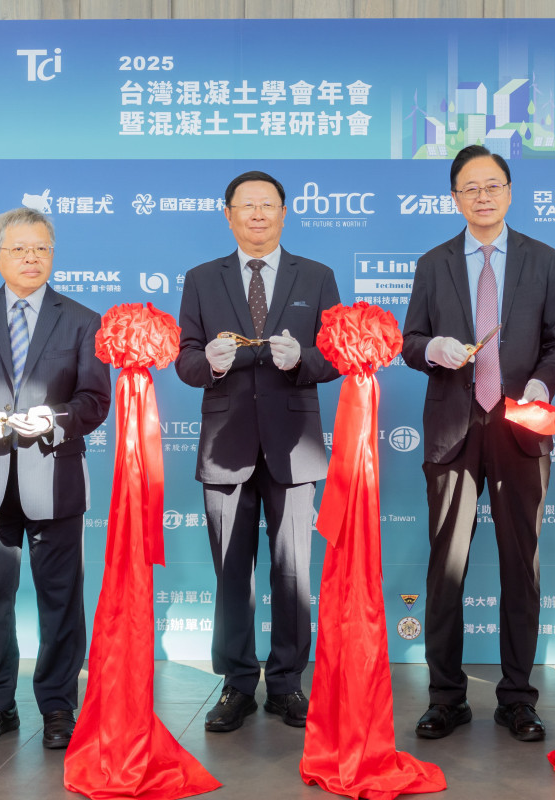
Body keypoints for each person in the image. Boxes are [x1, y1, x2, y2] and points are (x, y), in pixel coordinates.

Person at [402, 145, 555, 742]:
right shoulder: (434, 263)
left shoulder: (542, 258)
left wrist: (541, 384)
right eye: (470, 187)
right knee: (447, 565)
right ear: (454, 198)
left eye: (492, 185)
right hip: (454, 429)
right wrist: (432, 349)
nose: (482, 195)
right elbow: (409, 341)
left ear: (509, 191)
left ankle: (518, 698)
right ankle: (445, 698)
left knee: (520, 564)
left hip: (519, 426)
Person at [0, 207, 111, 750]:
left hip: (53, 478)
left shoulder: (82, 320)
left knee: (61, 600)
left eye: (42, 249)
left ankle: (57, 706)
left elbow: (95, 400)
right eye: (20, 249)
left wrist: (55, 418)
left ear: (53, 255)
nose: (32, 258)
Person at [176, 170, 341, 733]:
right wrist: (210, 362)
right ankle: (237, 683)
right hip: (226, 447)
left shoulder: (316, 276)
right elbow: (185, 360)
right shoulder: (202, 278)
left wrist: (302, 361)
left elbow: (336, 356)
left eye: (267, 205)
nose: (257, 215)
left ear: (284, 213)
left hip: (294, 446)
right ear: (228, 215)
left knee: (292, 572)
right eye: (246, 206)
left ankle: (288, 683)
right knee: (231, 573)